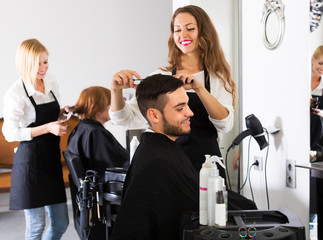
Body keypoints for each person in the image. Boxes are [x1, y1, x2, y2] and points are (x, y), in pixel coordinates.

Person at [110, 5, 236, 183]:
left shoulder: (218, 78)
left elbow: (225, 124)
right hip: (168, 165)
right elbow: (125, 119)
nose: (183, 35)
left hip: (206, 168)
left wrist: (199, 88)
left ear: (204, 32)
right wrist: (116, 91)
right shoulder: (161, 76)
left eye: (190, 28)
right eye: (177, 30)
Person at [111, 74, 199, 240]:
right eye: (180, 108)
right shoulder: (157, 160)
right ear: (154, 115)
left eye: (187, 105)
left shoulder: (160, 150)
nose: (191, 112)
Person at [2, 39, 69, 239]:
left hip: (50, 161)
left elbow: (51, 113)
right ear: (25, 64)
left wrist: (62, 112)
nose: (43, 68)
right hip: (30, 163)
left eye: (46, 62)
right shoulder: (16, 93)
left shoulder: (50, 83)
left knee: (61, 224)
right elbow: (10, 132)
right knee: (36, 226)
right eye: (38, 63)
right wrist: (48, 128)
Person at [67, 86, 129, 240]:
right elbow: (116, 168)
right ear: (98, 108)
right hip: (103, 201)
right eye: (110, 103)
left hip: (88, 200)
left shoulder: (79, 129)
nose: (113, 107)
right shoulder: (95, 133)